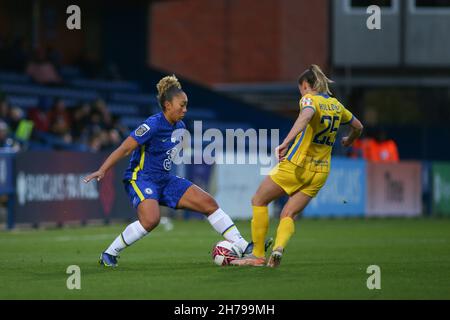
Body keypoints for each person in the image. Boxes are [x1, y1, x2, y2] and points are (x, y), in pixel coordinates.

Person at [84, 75, 270, 267]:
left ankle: (242, 244)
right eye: (181, 105)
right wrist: (102, 169)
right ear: (167, 105)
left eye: (186, 105)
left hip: (165, 180)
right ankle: (109, 253)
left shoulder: (180, 127)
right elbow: (125, 148)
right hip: (141, 178)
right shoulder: (152, 124)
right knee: (151, 220)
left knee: (208, 203)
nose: (185, 109)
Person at [231, 65, 364, 268]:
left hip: (297, 166)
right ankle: (278, 248)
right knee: (288, 213)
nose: (300, 93)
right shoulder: (337, 105)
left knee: (259, 200)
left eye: (300, 89)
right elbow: (358, 126)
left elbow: (306, 115)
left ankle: (257, 255)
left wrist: (286, 142)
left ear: (305, 85)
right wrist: (349, 140)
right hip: (321, 172)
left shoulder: (309, 99)